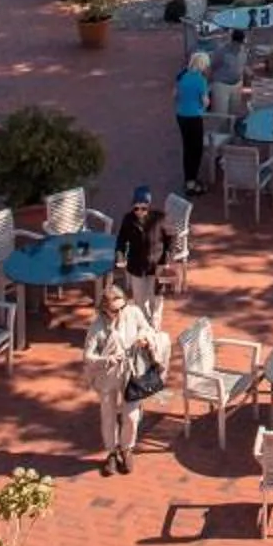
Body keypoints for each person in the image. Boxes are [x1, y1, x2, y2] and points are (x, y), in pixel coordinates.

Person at [81, 278, 166, 474]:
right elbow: (87, 355)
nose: (119, 313)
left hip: (131, 373)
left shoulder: (133, 312)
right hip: (107, 375)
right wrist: (106, 359)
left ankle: (127, 449)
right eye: (114, 310)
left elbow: (147, 328)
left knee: (131, 416)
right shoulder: (97, 326)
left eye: (122, 307)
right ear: (104, 309)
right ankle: (111, 453)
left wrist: (144, 338)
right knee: (108, 415)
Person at [115, 185, 170, 310]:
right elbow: (121, 239)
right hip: (136, 265)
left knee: (155, 298)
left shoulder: (160, 219)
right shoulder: (128, 220)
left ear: (149, 206)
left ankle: (154, 326)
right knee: (139, 299)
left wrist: (164, 261)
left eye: (143, 208)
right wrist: (120, 252)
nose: (139, 212)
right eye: (136, 208)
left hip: (155, 264)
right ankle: (143, 325)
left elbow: (170, 240)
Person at [172, 54, 210, 195]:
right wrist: (204, 106)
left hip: (181, 115)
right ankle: (192, 181)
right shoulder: (201, 80)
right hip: (194, 116)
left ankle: (188, 179)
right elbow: (205, 101)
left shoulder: (182, 76)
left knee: (187, 148)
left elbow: (175, 95)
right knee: (197, 149)